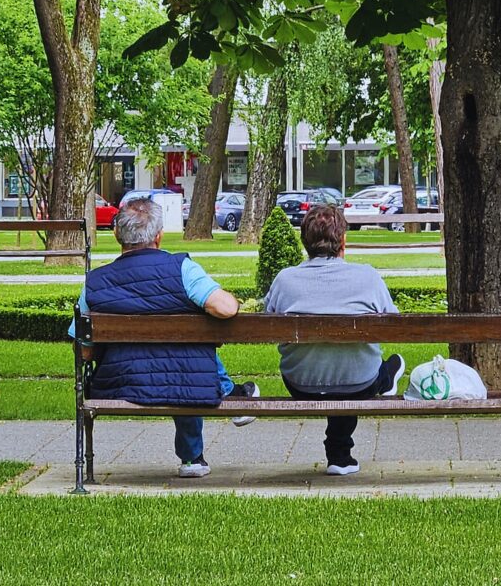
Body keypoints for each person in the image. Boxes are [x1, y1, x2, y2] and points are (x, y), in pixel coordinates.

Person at [68, 198, 259, 479]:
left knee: (178, 362)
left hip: (121, 382)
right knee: (183, 363)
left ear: (118, 235)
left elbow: (82, 348)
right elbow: (226, 308)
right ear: (159, 235)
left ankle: (194, 455)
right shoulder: (182, 269)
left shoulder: (95, 281)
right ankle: (194, 456)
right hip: (188, 381)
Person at [264, 205, 406, 476]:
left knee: (336, 366)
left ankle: (340, 456)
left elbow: (267, 319)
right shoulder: (367, 276)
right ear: (343, 240)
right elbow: (394, 324)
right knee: (353, 372)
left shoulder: (285, 280)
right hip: (359, 382)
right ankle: (341, 455)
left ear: (304, 241)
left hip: (301, 383)